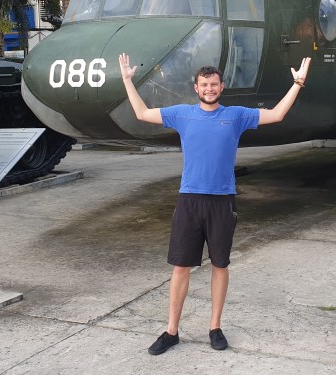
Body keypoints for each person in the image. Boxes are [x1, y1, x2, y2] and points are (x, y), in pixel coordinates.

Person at [118, 52, 311, 355]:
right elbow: (142, 113)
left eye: (214, 84)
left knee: (220, 265)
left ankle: (215, 327)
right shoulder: (182, 114)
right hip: (190, 200)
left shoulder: (235, 116)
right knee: (181, 267)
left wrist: (297, 83)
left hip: (222, 202)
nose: (209, 89)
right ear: (196, 88)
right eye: (204, 84)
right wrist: (128, 81)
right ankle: (171, 331)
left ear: (222, 87)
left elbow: (276, 115)